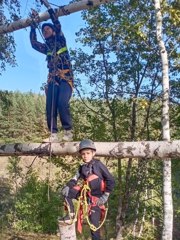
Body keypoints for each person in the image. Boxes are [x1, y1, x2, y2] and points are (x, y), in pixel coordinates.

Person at [30, 1, 73, 142]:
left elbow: (57, 24)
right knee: (50, 106)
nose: (45, 31)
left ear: (54, 31)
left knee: (62, 103)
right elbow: (34, 43)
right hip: (53, 79)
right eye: (44, 30)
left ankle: (68, 131)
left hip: (66, 77)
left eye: (48, 29)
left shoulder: (60, 40)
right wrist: (33, 25)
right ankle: (53, 135)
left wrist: (49, 9)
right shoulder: (46, 48)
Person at [59, 139, 115, 240]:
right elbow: (74, 179)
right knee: (66, 192)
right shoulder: (82, 167)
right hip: (85, 196)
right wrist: (68, 186)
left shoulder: (98, 165)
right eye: (83, 154)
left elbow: (110, 179)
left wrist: (105, 195)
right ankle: (71, 214)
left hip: (96, 201)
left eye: (88, 153)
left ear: (93, 153)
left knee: (94, 228)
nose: (85, 156)